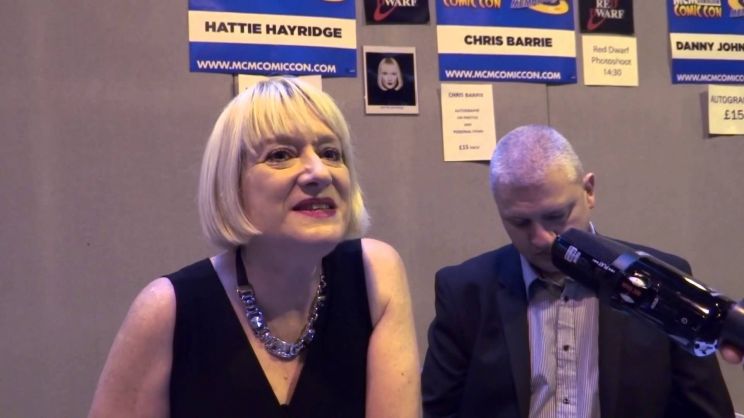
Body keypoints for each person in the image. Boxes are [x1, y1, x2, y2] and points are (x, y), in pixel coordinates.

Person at [88, 77, 420, 418]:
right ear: (232, 183)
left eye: (330, 153)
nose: (319, 173)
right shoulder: (165, 309)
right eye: (281, 155)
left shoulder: (376, 274)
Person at [421, 125, 733, 418]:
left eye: (555, 216)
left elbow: (706, 412)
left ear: (589, 191)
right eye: (519, 222)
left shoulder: (660, 283)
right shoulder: (464, 291)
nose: (541, 239)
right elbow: (437, 410)